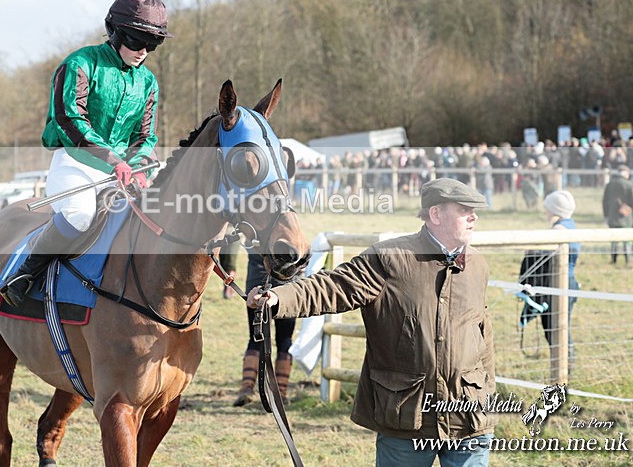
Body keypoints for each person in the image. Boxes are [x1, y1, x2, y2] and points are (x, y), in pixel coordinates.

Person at [247, 178, 495, 466]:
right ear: (436, 214)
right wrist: (278, 298)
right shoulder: (390, 259)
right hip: (406, 418)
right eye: (464, 209)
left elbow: (483, 334)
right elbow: (333, 287)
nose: (473, 216)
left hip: (468, 417)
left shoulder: (477, 265)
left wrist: (486, 397)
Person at [0, 0, 172, 307]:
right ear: (116, 32)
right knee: (80, 214)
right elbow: (70, 120)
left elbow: (146, 136)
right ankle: (24, 274)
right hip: (76, 161)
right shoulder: (80, 63)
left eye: (152, 44)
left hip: (125, 170)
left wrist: (141, 164)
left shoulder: (148, 82)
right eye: (136, 41)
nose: (144, 51)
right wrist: (113, 161)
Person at [234, 252, 297, 407]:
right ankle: (280, 393)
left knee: (256, 337)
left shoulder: (257, 230)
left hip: (257, 283)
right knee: (284, 339)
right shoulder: (290, 234)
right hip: (286, 287)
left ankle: (246, 388)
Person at [542, 190, 581, 366]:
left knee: (556, 327)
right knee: (561, 324)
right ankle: (565, 363)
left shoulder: (559, 229)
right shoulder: (571, 224)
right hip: (570, 281)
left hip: (560, 281)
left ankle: (564, 365)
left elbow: (546, 255)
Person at [602, 164, 633, 264]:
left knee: (614, 240)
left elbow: (605, 201)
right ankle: (628, 259)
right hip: (626, 216)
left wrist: (606, 215)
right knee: (627, 239)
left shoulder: (610, 184)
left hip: (613, 216)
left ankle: (613, 260)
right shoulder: (630, 185)